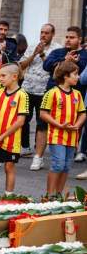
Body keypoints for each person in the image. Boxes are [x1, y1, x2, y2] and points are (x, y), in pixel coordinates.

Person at [41, 61, 86, 197]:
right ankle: (49, 196)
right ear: (65, 76)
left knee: (66, 166)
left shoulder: (77, 94)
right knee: (58, 164)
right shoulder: (52, 93)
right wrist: (58, 125)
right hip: (56, 135)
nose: (78, 77)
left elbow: (83, 113)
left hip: (72, 137)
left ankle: (58, 195)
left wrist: (77, 125)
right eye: (75, 74)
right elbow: (43, 114)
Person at [19, 23, 61, 168]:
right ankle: (25, 147)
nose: (43, 35)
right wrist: (34, 53)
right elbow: (21, 66)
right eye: (42, 32)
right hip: (28, 88)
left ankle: (38, 155)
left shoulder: (58, 49)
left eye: (47, 33)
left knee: (41, 123)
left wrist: (43, 55)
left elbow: (55, 70)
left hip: (45, 90)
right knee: (23, 118)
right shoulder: (32, 47)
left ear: (53, 34)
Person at [0, 63, 28, 196]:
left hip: (11, 139)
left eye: (3, 75)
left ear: (14, 77)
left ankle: (9, 197)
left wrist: (2, 136)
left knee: (9, 167)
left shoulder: (22, 95)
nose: (0, 78)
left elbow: (21, 121)